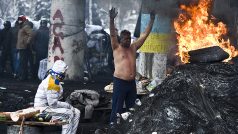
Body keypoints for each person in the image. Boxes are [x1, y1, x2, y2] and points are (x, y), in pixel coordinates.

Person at [109, 7, 155, 125]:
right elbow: (113, 35)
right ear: (121, 39)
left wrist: (152, 20)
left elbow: (144, 35)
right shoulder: (116, 47)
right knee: (117, 109)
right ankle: (113, 128)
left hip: (131, 84)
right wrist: (111, 19)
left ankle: (130, 128)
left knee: (133, 108)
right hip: (120, 82)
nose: (128, 41)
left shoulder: (133, 47)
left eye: (129, 38)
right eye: (126, 39)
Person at [34, 60, 80, 134]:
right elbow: (53, 104)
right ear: (60, 72)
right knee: (69, 114)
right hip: (42, 111)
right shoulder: (52, 83)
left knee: (77, 112)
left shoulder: (54, 79)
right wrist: (68, 106)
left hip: (48, 108)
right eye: (64, 72)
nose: (65, 73)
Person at [16, 15, 33, 80]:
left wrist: (27, 42)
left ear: (23, 20)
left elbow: (31, 34)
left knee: (23, 62)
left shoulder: (25, 26)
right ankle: (23, 76)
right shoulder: (22, 26)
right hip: (21, 47)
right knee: (22, 62)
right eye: (18, 19)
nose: (19, 21)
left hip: (24, 47)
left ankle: (23, 77)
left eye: (20, 19)